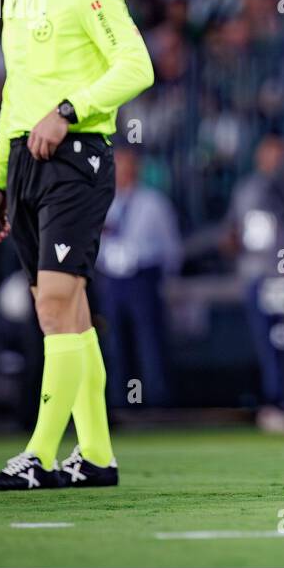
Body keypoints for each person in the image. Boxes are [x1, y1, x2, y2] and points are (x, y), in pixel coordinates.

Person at [0, 0, 155, 490]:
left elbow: (137, 65)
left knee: (52, 302)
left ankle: (40, 454)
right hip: (26, 161)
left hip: (78, 157)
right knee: (68, 310)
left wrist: (70, 110)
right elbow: (13, 96)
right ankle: (98, 456)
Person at [95, 148, 182, 408]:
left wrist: (165, 278)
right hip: (111, 278)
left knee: (149, 342)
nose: (124, 170)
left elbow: (170, 246)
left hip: (143, 276)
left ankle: (156, 401)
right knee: (114, 342)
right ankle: (118, 402)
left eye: (129, 164)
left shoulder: (153, 202)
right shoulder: (103, 201)